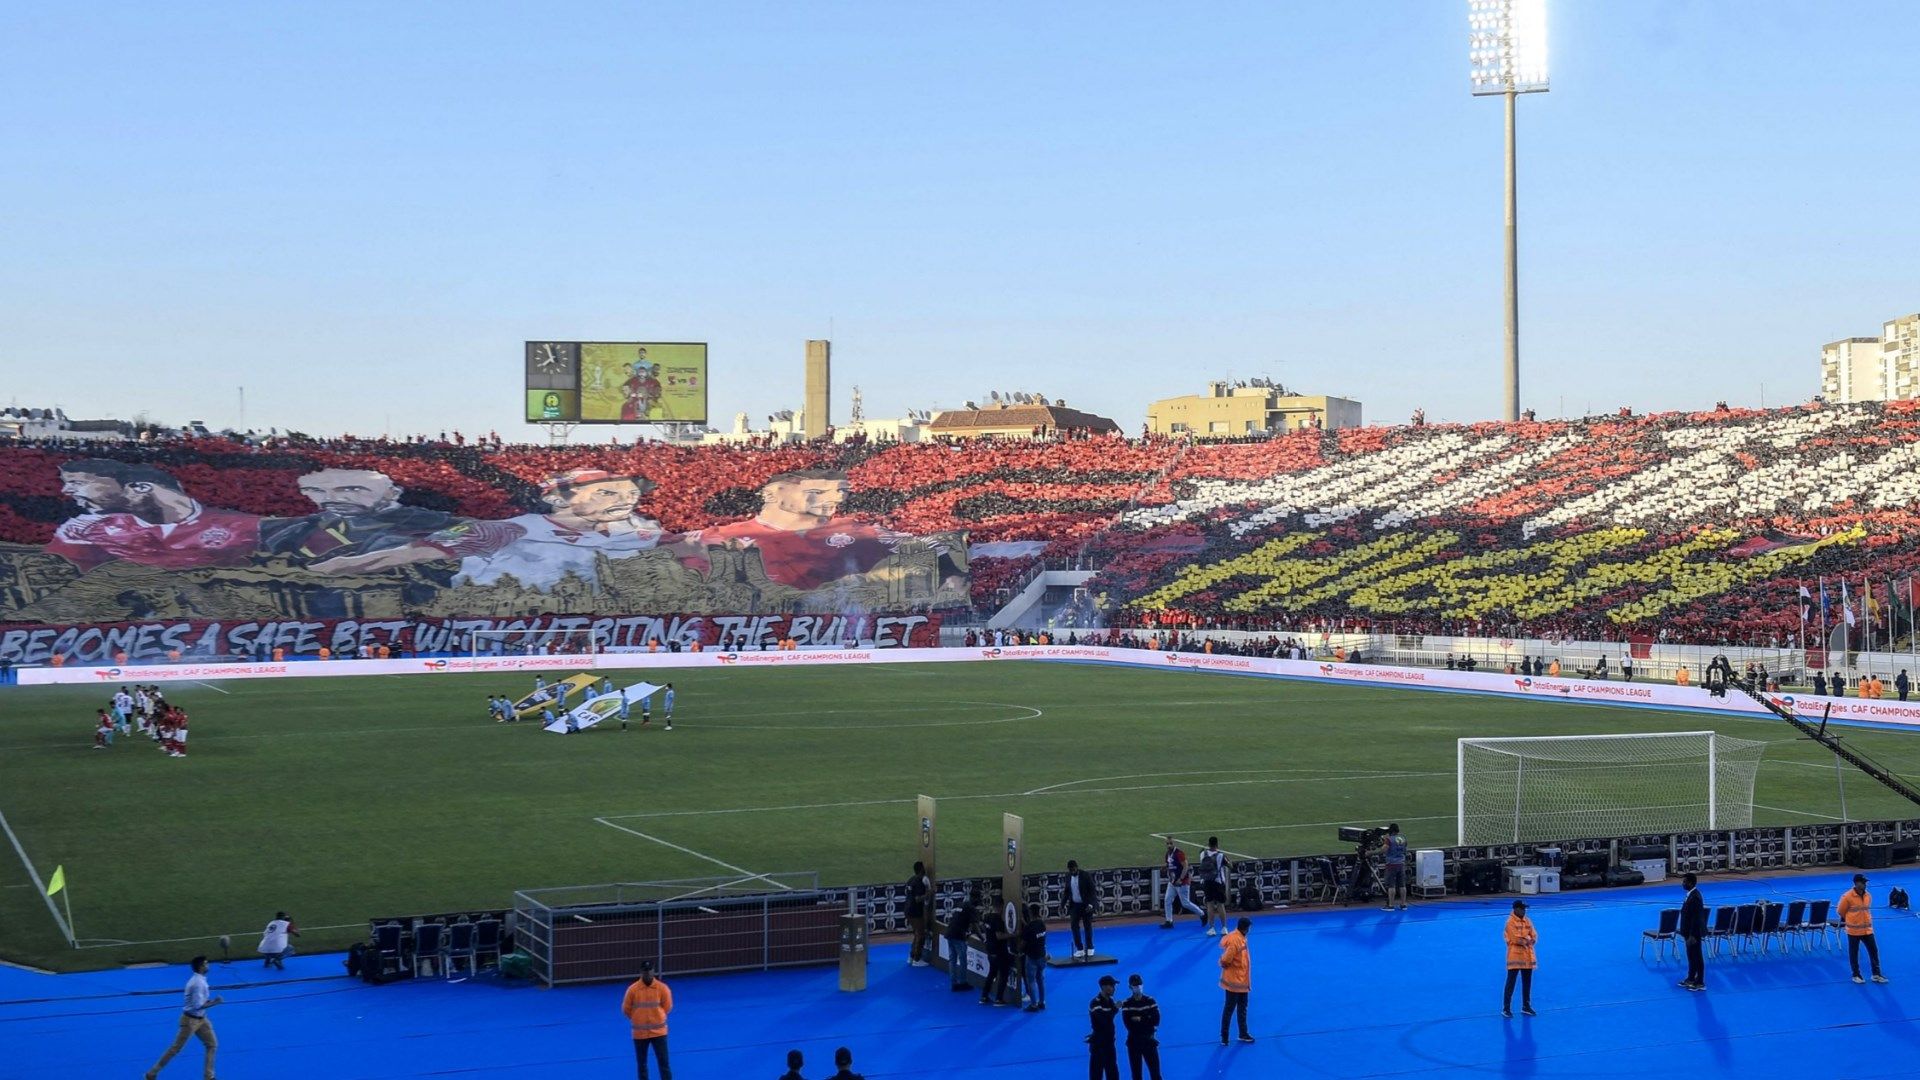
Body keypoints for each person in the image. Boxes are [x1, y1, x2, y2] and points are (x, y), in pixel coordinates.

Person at [48, 459, 259, 571]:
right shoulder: (83, 530)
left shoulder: (243, 527)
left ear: (140, 487)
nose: (65, 491)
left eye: (77, 483)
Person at [257, 467, 458, 565]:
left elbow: (473, 529)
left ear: (393, 493)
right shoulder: (301, 527)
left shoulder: (425, 520)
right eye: (319, 491)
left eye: (354, 489)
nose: (336, 498)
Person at [145, 955, 221, 1080]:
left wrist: (210, 1001)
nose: (208, 965)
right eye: (206, 963)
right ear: (201, 966)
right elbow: (198, 1006)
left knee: (212, 1044)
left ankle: (209, 1076)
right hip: (190, 1021)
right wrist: (215, 1002)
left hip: (201, 1019)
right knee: (175, 1049)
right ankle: (152, 1073)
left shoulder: (200, 980)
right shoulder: (197, 984)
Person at [621, 959, 673, 1079]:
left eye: (650, 971)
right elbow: (626, 1009)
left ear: (653, 971)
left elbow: (667, 1006)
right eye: (645, 971)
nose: (648, 973)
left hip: (659, 1033)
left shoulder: (662, 989)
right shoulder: (632, 990)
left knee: (664, 1063)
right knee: (642, 1065)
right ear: (641, 972)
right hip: (640, 1034)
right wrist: (638, 1019)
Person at [1839, 874, 1889, 984]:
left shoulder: (1868, 896)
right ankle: (1856, 974)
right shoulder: (1847, 897)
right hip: (1854, 931)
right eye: (1863, 882)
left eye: (1865, 882)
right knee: (1854, 953)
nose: (1865, 884)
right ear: (1856, 883)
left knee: (1874, 951)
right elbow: (1841, 911)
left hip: (1867, 930)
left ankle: (1876, 974)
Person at [1120, 973, 1163, 1080]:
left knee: (1155, 1073)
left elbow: (1156, 1020)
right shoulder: (1126, 1003)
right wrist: (1147, 1018)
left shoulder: (1151, 1000)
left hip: (1149, 1041)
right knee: (1136, 1074)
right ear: (1130, 987)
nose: (1138, 987)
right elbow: (1128, 1024)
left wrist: (1140, 1019)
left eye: (1139, 984)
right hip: (1134, 1042)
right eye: (1135, 985)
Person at [1218, 917, 1254, 1045]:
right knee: (1231, 1009)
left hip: (1241, 981)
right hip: (1235, 982)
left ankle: (1241, 1033)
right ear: (1245, 928)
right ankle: (1225, 1036)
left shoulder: (1238, 937)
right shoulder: (1236, 940)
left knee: (1240, 1008)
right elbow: (1226, 959)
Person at [1502, 899, 1537, 1017]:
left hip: (1527, 957)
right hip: (1515, 958)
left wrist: (1526, 939)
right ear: (1516, 909)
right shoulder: (1510, 922)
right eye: (1522, 909)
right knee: (1511, 982)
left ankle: (1526, 1006)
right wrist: (1527, 939)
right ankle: (1506, 1008)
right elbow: (1516, 939)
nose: (1524, 911)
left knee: (1527, 983)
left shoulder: (1527, 921)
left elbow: (1534, 936)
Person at [1159, 838, 1203, 928]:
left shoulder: (1179, 853)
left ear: (1174, 844)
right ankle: (1169, 921)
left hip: (1182, 882)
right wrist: (1165, 867)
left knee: (1185, 903)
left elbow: (1185, 866)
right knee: (1167, 900)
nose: (1169, 845)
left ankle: (1202, 914)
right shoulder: (1168, 854)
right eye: (1167, 844)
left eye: (1170, 843)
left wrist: (1181, 878)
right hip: (1172, 881)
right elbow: (1169, 863)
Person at [978, 895, 1013, 1006]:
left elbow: (983, 927)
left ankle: (984, 996)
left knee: (992, 973)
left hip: (990, 949)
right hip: (999, 951)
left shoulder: (987, 916)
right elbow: (999, 936)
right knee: (1003, 973)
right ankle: (999, 999)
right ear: (1002, 906)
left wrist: (989, 936)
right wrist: (1012, 935)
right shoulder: (998, 919)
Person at [1087, 974, 1121, 1080]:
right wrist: (1115, 1009)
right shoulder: (1095, 1003)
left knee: (1113, 1073)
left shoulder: (1110, 1001)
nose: (1114, 988)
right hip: (1099, 1044)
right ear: (1104, 987)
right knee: (1096, 1073)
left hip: (1109, 1043)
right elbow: (1103, 1021)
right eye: (1112, 986)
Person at [1679, 872, 1707, 991]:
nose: (1683, 884)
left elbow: (1696, 918)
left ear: (1690, 883)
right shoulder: (1690, 895)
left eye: (1684, 882)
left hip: (1693, 933)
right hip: (1688, 932)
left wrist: (1692, 935)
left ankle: (1700, 981)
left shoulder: (1695, 897)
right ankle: (1691, 978)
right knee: (1691, 956)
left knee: (1697, 956)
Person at [945, 889, 977, 991]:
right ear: (976, 898)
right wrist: (982, 938)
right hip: (958, 936)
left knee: (952, 959)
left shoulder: (961, 904)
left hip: (949, 933)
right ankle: (963, 982)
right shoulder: (971, 908)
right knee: (963, 959)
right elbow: (975, 925)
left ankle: (953, 983)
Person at [1197, 838, 1229, 936]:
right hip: (1218, 882)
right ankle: (1224, 928)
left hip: (1207, 881)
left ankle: (1211, 928)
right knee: (1220, 905)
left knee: (1209, 904)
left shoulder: (1202, 854)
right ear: (1217, 844)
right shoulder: (1220, 855)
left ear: (1208, 844)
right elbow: (1230, 865)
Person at [1018, 901, 1047, 1011]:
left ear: (1030, 913)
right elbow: (1033, 931)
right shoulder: (1042, 924)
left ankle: (1033, 1004)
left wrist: (1018, 950)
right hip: (1042, 955)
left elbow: (1023, 942)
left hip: (1032, 957)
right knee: (1040, 979)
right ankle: (1042, 1002)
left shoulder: (1029, 927)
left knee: (1031, 981)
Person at [1066, 859, 1098, 958]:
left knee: (1087, 926)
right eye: (1070, 870)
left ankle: (1090, 948)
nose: (1072, 872)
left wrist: (1091, 904)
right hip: (1075, 905)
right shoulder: (1068, 876)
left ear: (1077, 867)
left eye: (1074, 870)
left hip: (1086, 905)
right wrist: (1062, 904)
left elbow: (1092, 891)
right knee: (1074, 927)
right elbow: (1066, 891)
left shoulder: (1085, 875)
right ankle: (1079, 949)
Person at [904, 861, 932, 967]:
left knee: (917, 934)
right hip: (915, 912)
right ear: (921, 869)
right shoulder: (920, 881)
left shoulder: (910, 879)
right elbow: (918, 899)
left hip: (908, 910)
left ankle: (911, 957)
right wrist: (929, 893)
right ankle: (916, 959)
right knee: (920, 934)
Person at [1381, 823, 1409, 912]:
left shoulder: (1389, 839)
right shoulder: (1403, 838)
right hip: (1401, 863)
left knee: (1391, 885)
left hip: (1392, 864)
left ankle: (1391, 905)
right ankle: (1403, 904)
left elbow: (1384, 850)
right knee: (1402, 885)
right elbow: (1405, 849)